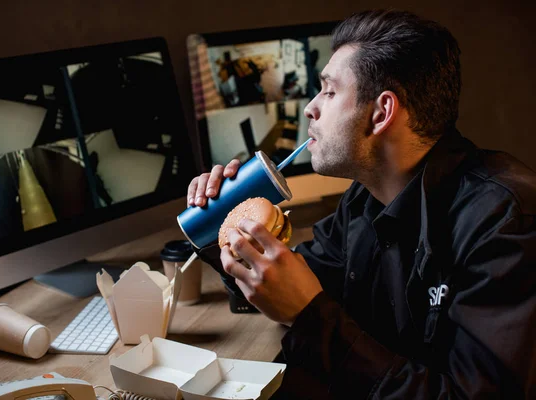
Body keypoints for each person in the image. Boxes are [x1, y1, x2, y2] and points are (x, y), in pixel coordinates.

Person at [186, 10, 536, 399]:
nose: (310, 108)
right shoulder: (365, 198)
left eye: (329, 92)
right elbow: (287, 286)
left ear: (381, 112)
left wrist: (309, 316)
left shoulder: (505, 223)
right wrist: (222, 227)